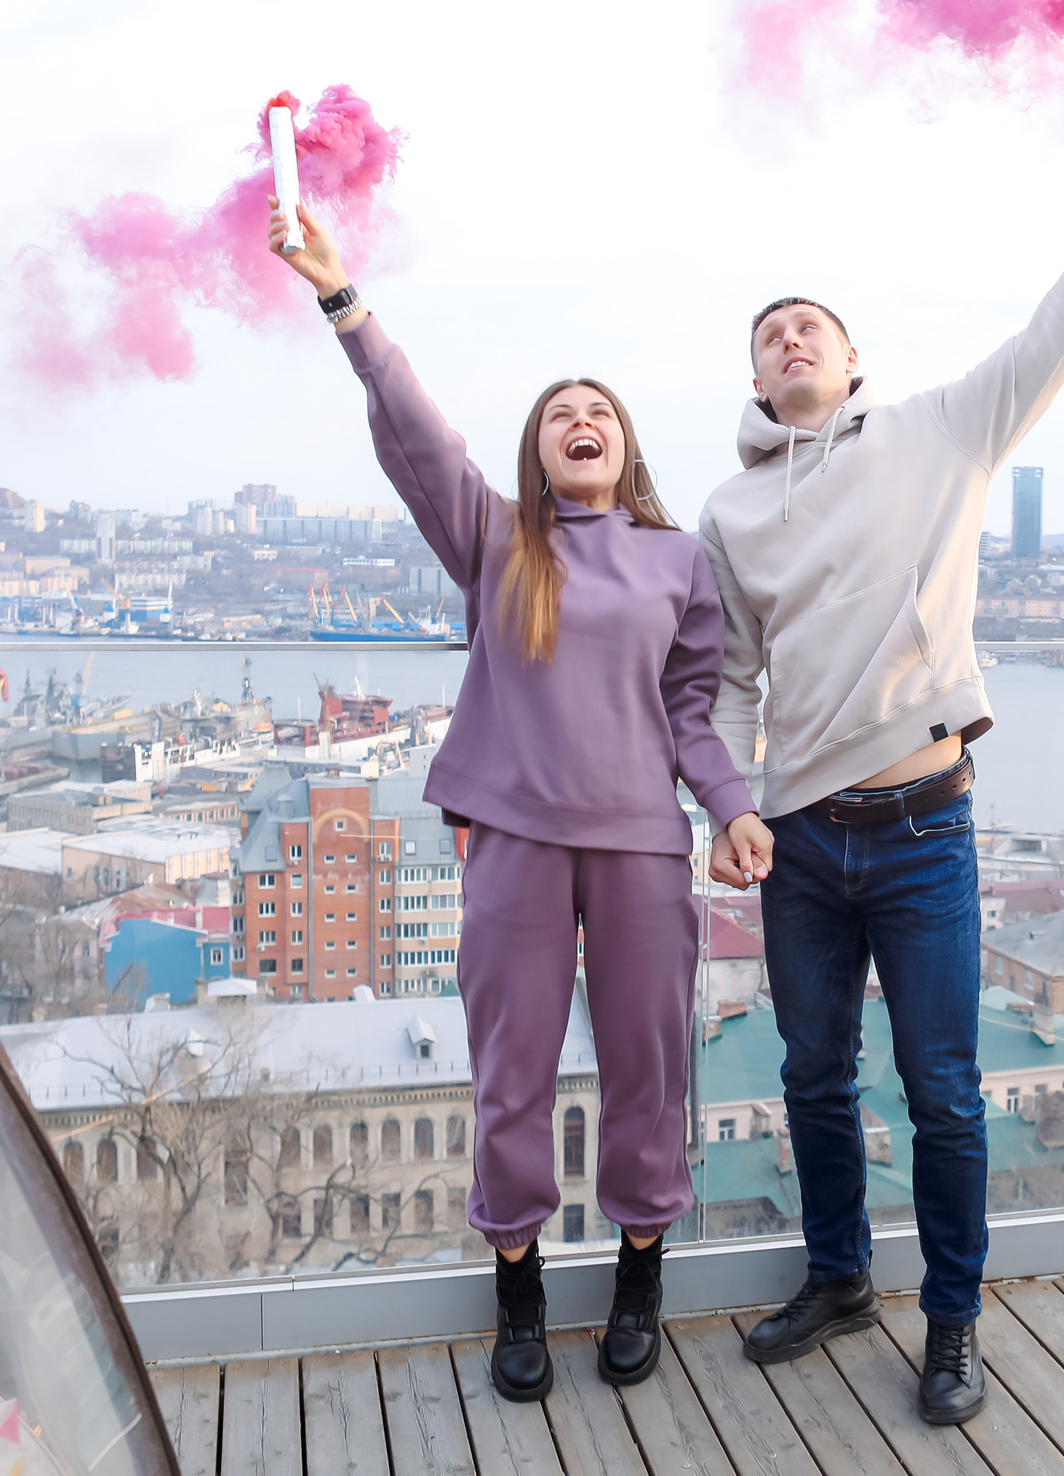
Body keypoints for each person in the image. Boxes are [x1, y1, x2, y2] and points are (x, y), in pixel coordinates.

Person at [697, 106, 1064, 1424]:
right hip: (798, 839)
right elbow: (732, 676)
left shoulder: (940, 432)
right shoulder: (731, 510)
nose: (788, 337)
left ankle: (952, 1321)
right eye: (766, 334)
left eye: (810, 325)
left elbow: (1051, 338)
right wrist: (730, 806)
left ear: (852, 357)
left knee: (943, 1087)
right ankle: (841, 1276)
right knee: (809, 1075)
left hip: (921, 830)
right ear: (754, 376)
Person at [271, 200, 777, 1403]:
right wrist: (344, 299)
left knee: (652, 1070)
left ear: (628, 446)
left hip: (644, 848)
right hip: (512, 842)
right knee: (514, 1073)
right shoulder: (498, 541)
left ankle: (640, 1271)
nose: (581, 422)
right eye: (560, 416)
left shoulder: (675, 562)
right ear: (536, 455)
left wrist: (734, 810)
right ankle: (519, 1282)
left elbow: (693, 715)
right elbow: (415, 437)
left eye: (599, 413)